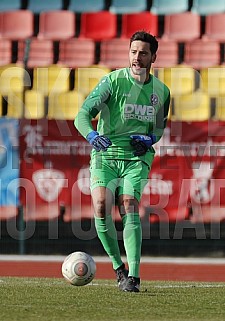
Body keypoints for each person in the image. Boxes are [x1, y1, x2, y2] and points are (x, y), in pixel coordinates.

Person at [74, 31, 170, 292]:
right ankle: (119, 270)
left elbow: (159, 129)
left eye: (143, 53)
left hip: (136, 158)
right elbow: (82, 115)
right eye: (133, 51)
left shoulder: (162, 91)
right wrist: (92, 135)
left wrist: (150, 139)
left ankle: (135, 277)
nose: (137, 57)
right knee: (102, 205)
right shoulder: (112, 82)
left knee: (128, 204)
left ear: (153, 57)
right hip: (106, 155)